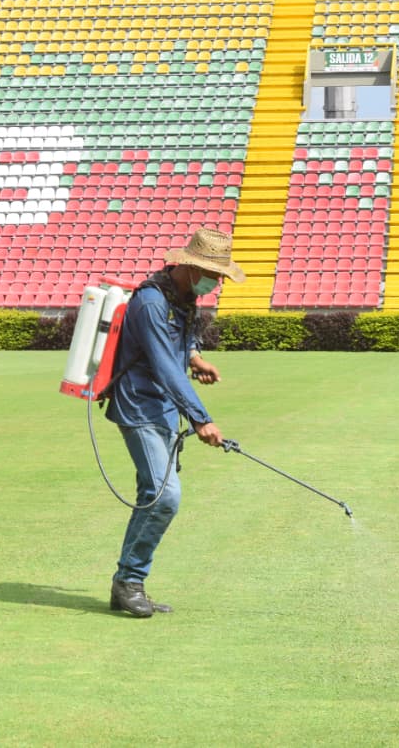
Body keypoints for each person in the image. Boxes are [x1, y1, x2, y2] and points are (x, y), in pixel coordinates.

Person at [103, 228, 245, 618]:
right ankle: (129, 582)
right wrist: (201, 418)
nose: (215, 283)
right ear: (187, 265)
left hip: (163, 408)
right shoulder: (151, 301)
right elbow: (166, 366)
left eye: (218, 276)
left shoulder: (181, 297)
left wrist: (196, 357)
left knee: (151, 496)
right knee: (164, 497)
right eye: (211, 274)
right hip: (139, 408)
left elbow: (179, 346)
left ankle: (127, 585)